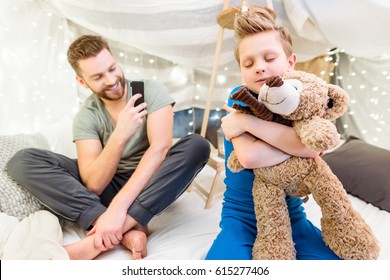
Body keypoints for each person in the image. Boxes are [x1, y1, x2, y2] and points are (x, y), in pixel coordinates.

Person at [6, 35, 210, 260]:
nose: (111, 80)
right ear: (82, 82)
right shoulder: (87, 115)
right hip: (110, 185)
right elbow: (93, 184)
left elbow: (159, 150)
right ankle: (127, 232)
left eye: (112, 68)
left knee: (197, 145)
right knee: (23, 160)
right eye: (98, 77)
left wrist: (117, 211)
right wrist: (120, 135)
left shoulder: (149, 91)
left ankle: (107, 233)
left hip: (152, 183)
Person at [205, 6, 341, 260]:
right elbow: (250, 158)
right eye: (249, 63)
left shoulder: (304, 98)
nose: (259, 68)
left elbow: (314, 148)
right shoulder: (240, 98)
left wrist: (247, 124)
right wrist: (296, 146)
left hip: (291, 217)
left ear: (290, 63)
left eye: (269, 59)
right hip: (241, 218)